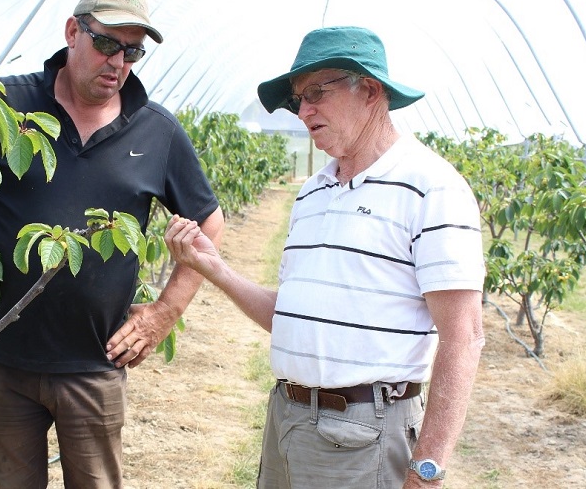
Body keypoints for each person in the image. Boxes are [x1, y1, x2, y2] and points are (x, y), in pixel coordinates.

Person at [0, 0, 224, 489]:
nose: (118, 62)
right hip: (0, 355)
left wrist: (165, 313)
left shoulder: (156, 130)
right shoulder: (2, 104)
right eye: (106, 43)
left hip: (94, 363)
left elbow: (208, 221)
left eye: (133, 51)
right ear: (73, 31)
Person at [164, 26, 485, 488]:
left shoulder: (431, 187)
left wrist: (427, 467)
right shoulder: (313, 193)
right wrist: (213, 267)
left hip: (364, 437)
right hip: (287, 421)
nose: (303, 110)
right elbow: (294, 317)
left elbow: (464, 336)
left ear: (370, 90)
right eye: (298, 99)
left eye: (316, 92)